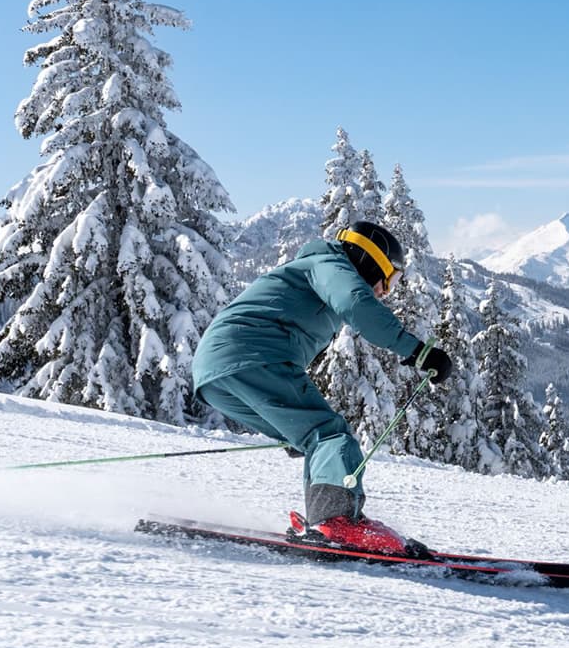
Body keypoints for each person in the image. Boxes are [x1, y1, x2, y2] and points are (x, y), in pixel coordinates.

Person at [191, 221, 453, 557]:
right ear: (371, 261)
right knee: (330, 434)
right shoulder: (330, 265)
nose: (386, 290)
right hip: (250, 355)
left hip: (216, 372)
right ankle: (337, 521)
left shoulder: (312, 269)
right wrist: (418, 351)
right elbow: (356, 303)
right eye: (390, 278)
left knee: (315, 438)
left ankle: (324, 520)